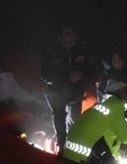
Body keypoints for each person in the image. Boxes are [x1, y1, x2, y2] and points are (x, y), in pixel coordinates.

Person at [41, 23, 101, 154]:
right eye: (67, 33)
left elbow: (94, 72)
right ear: (60, 36)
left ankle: (75, 146)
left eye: (72, 33)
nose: (71, 36)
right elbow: (44, 74)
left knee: (75, 120)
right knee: (59, 115)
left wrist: (81, 76)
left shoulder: (82, 51)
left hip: (75, 93)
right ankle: (61, 145)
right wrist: (65, 77)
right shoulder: (51, 52)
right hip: (57, 92)